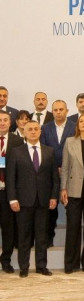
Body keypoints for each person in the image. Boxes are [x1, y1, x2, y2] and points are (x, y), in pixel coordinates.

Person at [7, 120, 59, 277]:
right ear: (24, 132)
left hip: (44, 200)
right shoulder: (16, 152)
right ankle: (24, 267)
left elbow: (55, 178)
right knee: (24, 236)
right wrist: (12, 199)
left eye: (36, 129)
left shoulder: (49, 151)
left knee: (42, 236)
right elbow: (11, 178)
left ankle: (41, 266)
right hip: (23, 201)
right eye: (30, 129)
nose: (33, 132)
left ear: (40, 132)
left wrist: (54, 196)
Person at [60, 114, 84, 273]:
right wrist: (63, 188)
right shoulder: (69, 141)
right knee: (73, 227)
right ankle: (71, 264)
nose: (83, 123)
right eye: (81, 121)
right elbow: (65, 167)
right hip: (73, 189)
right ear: (77, 125)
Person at [41, 100, 76, 247]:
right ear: (52, 112)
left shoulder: (75, 126)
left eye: (61, 109)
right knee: (51, 207)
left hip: (72, 173)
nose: (58, 112)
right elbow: (43, 149)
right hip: (51, 173)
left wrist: (65, 167)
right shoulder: (45, 128)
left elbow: (77, 149)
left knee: (72, 208)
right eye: (55, 110)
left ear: (67, 111)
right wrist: (55, 167)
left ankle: (72, 242)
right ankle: (48, 238)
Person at [0, 111, 23, 274]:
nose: (2, 123)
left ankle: (6, 261)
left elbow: (21, 169)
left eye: (5, 120)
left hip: (8, 192)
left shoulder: (18, 141)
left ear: (10, 123)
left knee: (8, 228)